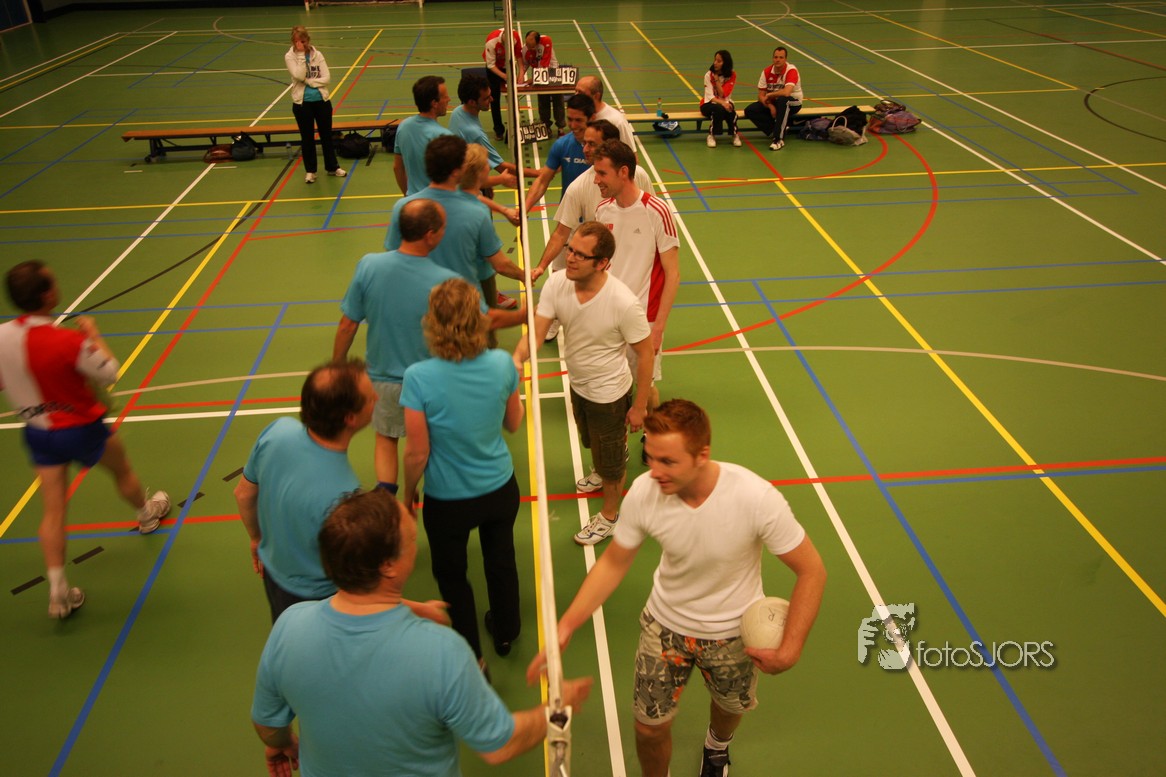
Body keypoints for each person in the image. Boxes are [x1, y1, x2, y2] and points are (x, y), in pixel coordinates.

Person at [527, 398, 827, 777]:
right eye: (650, 458)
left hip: (733, 633)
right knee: (647, 729)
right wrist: (567, 624)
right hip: (665, 627)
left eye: (668, 461)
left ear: (702, 455)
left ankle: (717, 746)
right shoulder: (645, 492)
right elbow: (615, 561)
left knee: (729, 707)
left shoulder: (755, 498)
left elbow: (812, 570)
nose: (655, 472)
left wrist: (791, 648)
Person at [251, 489, 593, 776]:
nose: (416, 541)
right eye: (411, 538)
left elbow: (268, 725)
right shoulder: (442, 651)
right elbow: (499, 745)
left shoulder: (289, 628)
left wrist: (282, 744)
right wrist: (557, 709)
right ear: (388, 565)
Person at [0, 261, 170, 619]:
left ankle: (58, 593)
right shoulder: (69, 341)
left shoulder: (1, 338)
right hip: (81, 429)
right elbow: (109, 373)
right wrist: (93, 335)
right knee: (122, 470)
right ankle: (146, 515)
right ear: (48, 295)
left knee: (53, 510)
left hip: (39, 434)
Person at [338, 199, 521, 497]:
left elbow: (348, 325)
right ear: (430, 235)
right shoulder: (447, 282)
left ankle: (387, 497)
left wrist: (339, 366)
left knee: (386, 439)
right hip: (432, 382)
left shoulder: (368, 265)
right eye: (442, 229)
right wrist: (526, 316)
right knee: (431, 441)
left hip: (383, 379)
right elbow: (484, 321)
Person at [402, 278, 524, 674]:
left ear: (433, 323)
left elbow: (417, 452)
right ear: (479, 319)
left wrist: (408, 493)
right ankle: (506, 631)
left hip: (448, 500)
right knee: (501, 559)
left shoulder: (418, 377)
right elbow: (513, 424)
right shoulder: (502, 364)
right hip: (499, 488)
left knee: (452, 575)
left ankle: (473, 655)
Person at [513, 222, 654, 546]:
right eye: (570, 250)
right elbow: (537, 332)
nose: (570, 258)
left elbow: (646, 354)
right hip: (578, 385)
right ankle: (610, 456)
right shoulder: (557, 283)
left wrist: (639, 406)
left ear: (602, 263)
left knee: (610, 464)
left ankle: (610, 515)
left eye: (580, 254)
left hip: (609, 395)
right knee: (592, 442)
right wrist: (517, 358)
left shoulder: (623, 302)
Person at [234, 358, 377, 623]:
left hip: (273, 574)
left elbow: (243, 494)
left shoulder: (277, 431)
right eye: (371, 398)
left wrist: (256, 539)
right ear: (350, 418)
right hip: (320, 598)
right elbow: (354, 580)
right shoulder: (346, 496)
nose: (377, 398)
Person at [592, 139, 680, 444]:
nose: (596, 180)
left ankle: (653, 438)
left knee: (646, 386)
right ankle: (616, 444)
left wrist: (659, 329)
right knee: (611, 386)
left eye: (602, 173)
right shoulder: (602, 211)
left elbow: (673, 274)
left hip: (645, 319)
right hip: (608, 317)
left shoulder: (657, 211)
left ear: (623, 172)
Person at [385, 135, 525, 300]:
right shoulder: (477, 212)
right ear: (458, 170)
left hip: (420, 301)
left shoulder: (403, 207)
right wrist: (524, 276)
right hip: (464, 305)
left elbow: (394, 259)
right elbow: (500, 264)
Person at [529, 120, 653, 286]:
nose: (585, 149)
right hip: (593, 258)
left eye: (592, 144)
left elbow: (650, 216)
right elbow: (561, 233)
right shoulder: (578, 187)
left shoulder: (640, 176)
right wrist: (541, 267)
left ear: (610, 146)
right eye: (584, 143)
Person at [284, 26, 347, 184]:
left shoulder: (317, 54)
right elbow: (298, 75)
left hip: (321, 101)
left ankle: (332, 167)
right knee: (307, 138)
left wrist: (310, 82)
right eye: (297, 41)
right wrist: (300, 56)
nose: (300, 44)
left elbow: (327, 78)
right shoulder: (290, 56)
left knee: (326, 135)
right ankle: (311, 171)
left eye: (303, 41)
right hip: (302, 104)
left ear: (308, 40)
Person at [523, 92, 595, 213]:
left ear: (592, 118)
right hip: (569, 214)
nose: (573, 125)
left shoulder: (606, 146)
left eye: (578, 120)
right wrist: (523, 210)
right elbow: (542, 181)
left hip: (598, 214)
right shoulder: (561, 145)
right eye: (570, 119)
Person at [394, 75, 454, 195]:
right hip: (438, 202)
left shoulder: (403, 126)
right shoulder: (445, 137)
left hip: (412, 199)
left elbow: (397, 168)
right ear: (434, 103)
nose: (449, 99)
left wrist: (408, 196)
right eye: (445, 97)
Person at [744, 46, 803, 151]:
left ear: (785, 59)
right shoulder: (766, 72)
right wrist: (770, 106)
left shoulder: (791, 70)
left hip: (793, 102)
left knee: (783, 101)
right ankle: (775, 129)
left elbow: (786, 92)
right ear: (772, 58)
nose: (778, 60)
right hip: (775, 102)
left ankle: (778, 139)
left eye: (781, 57)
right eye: (776, 57)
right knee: (750, 110)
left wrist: (770, 95)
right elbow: (761, 95)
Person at [483, 27, 525, 141]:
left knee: (513, 98)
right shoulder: (491, 42)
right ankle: (499, 130)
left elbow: (518, 55)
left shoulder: (515, 36)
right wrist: (504, 76)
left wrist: (521, 72)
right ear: (502, 40)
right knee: (494, 99)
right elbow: (490, 65)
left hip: (508, 65)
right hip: (494, 68)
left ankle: (515, 127)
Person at [522, 30, 566, 135]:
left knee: (558, 102)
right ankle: (546, 126)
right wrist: (519, 77)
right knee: (543, 102)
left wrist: (533, 79)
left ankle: (560, 127)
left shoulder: (546, 41)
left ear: (537, 42)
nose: (528, 47)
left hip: (553, 73)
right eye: (527, 44)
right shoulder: (525, 49)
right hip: (538, 75)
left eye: (531, 46)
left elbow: (544, 63)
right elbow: (524, 65)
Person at [574, 75, 635, 148]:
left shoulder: (617, 121)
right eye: (576, 91)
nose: (576, 96)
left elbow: (630, 153)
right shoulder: (577, 116)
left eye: (580, 93)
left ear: (596, 96)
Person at [700, 50, 740, 148]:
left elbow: (723, 94)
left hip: (725, 101)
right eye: (715, 60)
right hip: (708, 104)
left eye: (719, 61)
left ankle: (734, 134)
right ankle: (711, 135)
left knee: (730, 110)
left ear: (725, 63)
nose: (715, 63)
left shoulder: (732, 75)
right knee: (719, 109)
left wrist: (717, 79)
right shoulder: (708, 75)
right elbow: (710, 97)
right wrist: (715, 77)